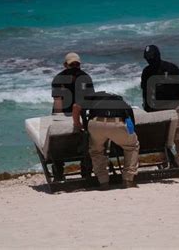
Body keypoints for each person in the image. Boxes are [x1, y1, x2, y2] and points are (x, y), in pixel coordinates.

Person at [140, 45, 179, 171]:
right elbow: (145, 91)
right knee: (161, 138)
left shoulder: (170, 67)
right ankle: (166, 162)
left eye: (151, 58)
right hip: (156, 107)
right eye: (147, 58)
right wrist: (147, 108)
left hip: (173, 105)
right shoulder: (146, 72)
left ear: (157, 56)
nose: (150, 61)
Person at [72, 91, 140, 190]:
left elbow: (75, 107)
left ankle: (103, 182)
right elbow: (131, 124)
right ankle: (128, 179)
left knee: (96, 151)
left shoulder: (93, 96)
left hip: (96, 124)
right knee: (132, 147)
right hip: (117, 124)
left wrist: (77, 124)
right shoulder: (122, 102)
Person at [50, 52, 95, 181]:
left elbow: (57, 102)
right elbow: (91, 100)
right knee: (86, 142)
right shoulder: (86, 77)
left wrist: (56, 122)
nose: (75, 67)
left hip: (65, 117)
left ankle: (58, 171)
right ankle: (86, 170)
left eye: (75, 64)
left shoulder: (59, 78)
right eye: (74, 64)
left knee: (57, 142)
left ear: (65, 65)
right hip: (83, 117)